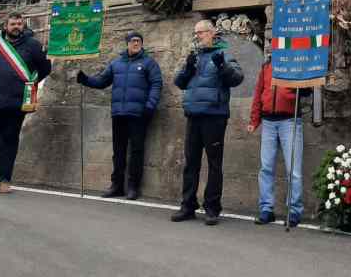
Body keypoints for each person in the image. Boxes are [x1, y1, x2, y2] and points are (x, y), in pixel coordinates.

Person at [0, 12, 51, 194]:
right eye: (13, 23)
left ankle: (4, 180)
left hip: (16, 102)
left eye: (20, 24)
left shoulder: (33, 45)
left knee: (9, 142)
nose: (16, 26)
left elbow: (45, 68)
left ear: (23, 26)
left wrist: (30, 81)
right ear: (6, 26)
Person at [170, 20, 244, 226]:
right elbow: (179, 82)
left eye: (201, 32)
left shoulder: (225, 54)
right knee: (190, 163)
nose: (198, 36)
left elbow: (237, 78)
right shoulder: (194, 56)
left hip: (215, 115)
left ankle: (212, 208)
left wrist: (222, 66)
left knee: (214, 164)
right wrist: (187, 67)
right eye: (196, 33)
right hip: (193, 115)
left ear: (212, 33)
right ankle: (188, 206)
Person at [76, 31, 162, 200]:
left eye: (139, 41)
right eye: (133, 41)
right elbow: (102, 81)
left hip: (139, 114)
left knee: (136, 151)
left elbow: (156, 84)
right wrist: (85, 79)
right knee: (119, 151)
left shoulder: (149, 63)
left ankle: (133, 187)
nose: (136, 44)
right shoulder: (116, 63)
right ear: (127, 43)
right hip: (119, 114)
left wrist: (150, 106)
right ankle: (117, 186)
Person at [247, 55, 309, 227]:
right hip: (268, 122)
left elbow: (307, 88)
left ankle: (294, 211)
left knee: (293, 170)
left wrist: (304, 88)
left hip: (289, 120)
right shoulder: (266, 65)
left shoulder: (295, 62)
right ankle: (266, 209)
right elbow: (259, 92)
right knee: (266, 168)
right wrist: (254, 120)